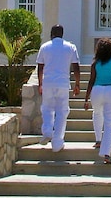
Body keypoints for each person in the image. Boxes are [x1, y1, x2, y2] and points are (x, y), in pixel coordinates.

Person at [35, 24, 81, 153]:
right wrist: (77, 83)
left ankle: (48, 130)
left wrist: (40, 84)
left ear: (52, 33)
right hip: (63, 83)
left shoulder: (45, 47)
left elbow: (40, 67)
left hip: (48, 82)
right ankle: (57, 142)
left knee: (47, 108)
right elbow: (76, 66)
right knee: (62, 112)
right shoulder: (70, 47)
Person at [84, 38, 111, 164]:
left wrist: (86, 98)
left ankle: (98, 139)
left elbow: (91, 80)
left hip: (96, 91)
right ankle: (106, 153)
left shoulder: (95, 62)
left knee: (97, 113)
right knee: (110, 123)